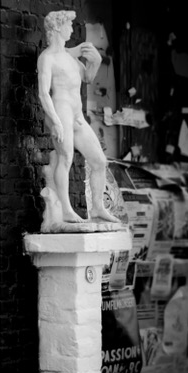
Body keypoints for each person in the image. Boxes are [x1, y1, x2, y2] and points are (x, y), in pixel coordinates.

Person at [37, 10, 120, 223]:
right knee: (65, 159)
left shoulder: (70, 57)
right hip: (61, 111)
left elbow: (88, 78)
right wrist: (55, 122)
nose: (72, 30)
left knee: (99, 161)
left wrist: (96, 61)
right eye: (69, 25)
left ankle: (98, 208)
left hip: (77, 114)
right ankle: (66, 210)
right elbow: (43, 93)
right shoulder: (47, 58)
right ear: (57, 27)